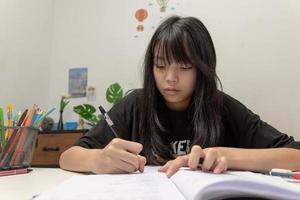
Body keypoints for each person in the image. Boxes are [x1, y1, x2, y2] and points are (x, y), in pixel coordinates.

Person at [59, 16, 300, 177]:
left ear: (202, 68)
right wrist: (97, 160)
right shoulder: (135, 105)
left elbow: (295, 156)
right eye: (161, 66)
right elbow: (68, 157)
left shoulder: (221, 107)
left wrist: (227, 155)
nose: (170, 78)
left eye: (184, 67)